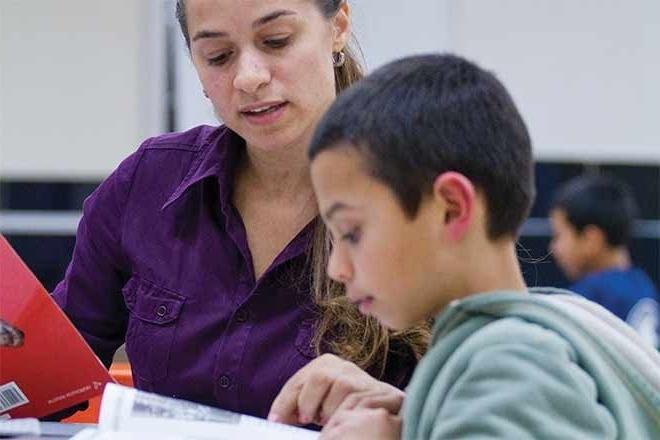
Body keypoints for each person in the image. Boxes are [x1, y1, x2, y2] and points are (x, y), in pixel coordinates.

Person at [51, 0, 427, 419]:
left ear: (337, 26)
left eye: (276, 41)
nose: (248, 78)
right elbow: (47, 374)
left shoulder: (416, 195)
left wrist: (402, 415)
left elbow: (485, 402)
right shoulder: (150, 183)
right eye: (218, 56)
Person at [268, 54, 660, 438]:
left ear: (452, 209)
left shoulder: (510, 367)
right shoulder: (520, 346)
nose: (337, 267)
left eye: (351, 233)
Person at [550, 174, 659, 348]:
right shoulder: (642, 284)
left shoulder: (588, 297)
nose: (554, 249)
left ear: (591, 239)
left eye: (559, 236)